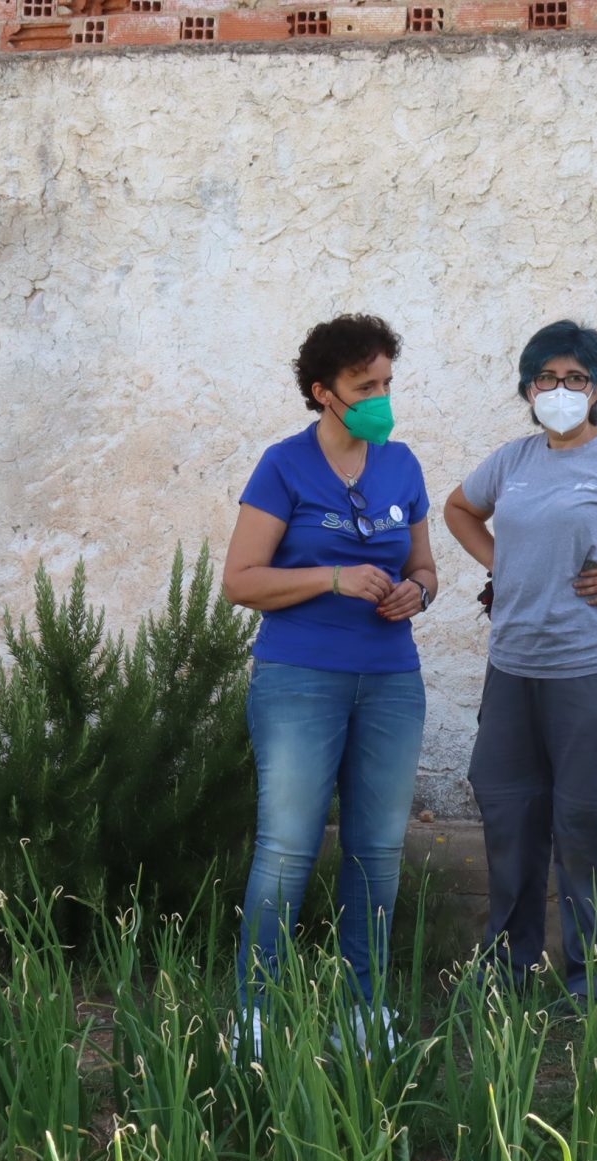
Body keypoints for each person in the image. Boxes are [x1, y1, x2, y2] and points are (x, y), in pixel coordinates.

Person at [441, 321, 597, 1002]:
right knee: (510, 821)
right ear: (528, 387)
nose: (560, 389)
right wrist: (502, 565)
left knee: (589, 825)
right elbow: (460, 509)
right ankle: (506, 975)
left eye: (576, 377)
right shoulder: (514, 461)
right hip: (515, 669)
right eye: (546, 377)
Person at [221, 314, 441, 1047]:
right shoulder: (283, 466)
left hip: (389, 678)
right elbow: (241, 581)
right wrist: (334, 577)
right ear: (323, 392)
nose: (380, 397)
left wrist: (420, 591)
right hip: (299, 678)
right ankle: (255, 1010)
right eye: (363, 385)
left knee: (377, 849)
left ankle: (362, 1008)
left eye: (386, 382)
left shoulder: (401, 464)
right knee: (286, 848)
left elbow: (426, 567)